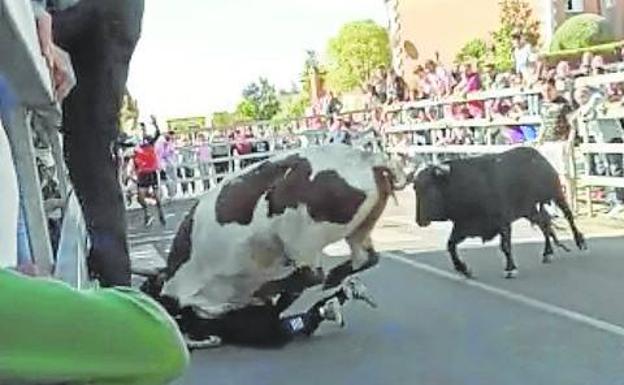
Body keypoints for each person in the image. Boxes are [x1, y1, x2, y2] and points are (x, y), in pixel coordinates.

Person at [174, 275, 375, 349]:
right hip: (252, 313)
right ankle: (342, 294)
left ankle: (325, 308)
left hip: (254, 327)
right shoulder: (195, 301)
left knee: (290, 328)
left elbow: (213, 340)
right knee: (297, 324)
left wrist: (193, 344)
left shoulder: (197, 325)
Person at [133, 119, 166, 227]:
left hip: (151, 172)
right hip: (142, 173)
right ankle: (147, 213)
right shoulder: (137, 145)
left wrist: (155, 124)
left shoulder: (150, 144)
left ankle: (160, 211)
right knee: (140, 196)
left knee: (155, 195)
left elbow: (157, 134)